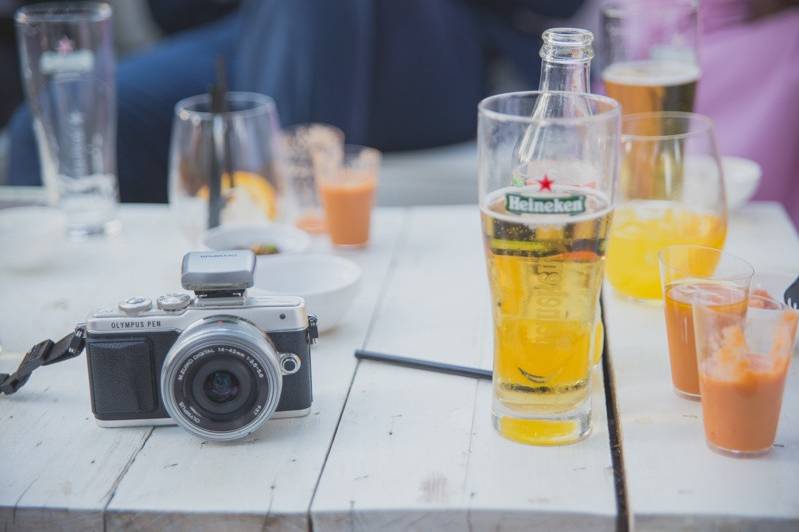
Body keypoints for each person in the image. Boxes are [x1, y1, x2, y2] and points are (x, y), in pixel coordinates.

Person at [7, 0, 585, 203]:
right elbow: (174, 12)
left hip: (434, 44)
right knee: (61, 117)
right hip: (257, 28)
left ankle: (287, 266)